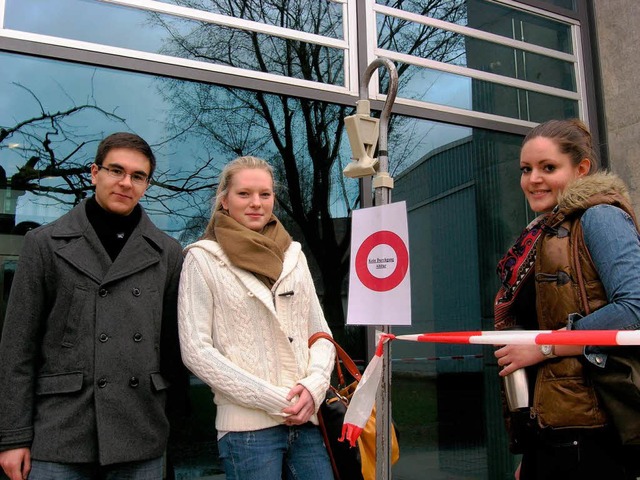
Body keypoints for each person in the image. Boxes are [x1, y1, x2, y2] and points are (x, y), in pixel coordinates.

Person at [0, 132, 185, 480]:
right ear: (94, 173)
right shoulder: (45, 243)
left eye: (138, 176)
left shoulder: (167, 252)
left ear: (147, 184)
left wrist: (171, 427)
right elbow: (17, 348)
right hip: (62, 431)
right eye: (116, 170)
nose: (125, 183)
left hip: (140, 431)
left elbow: (173, 349)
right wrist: (13, 438)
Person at [493, 119, 640, 479]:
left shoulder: (600, 216)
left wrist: (546, 346)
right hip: (553, 428)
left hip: (595, 429)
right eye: (526, 169)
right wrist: (530, 450)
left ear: (582, 168)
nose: (533, 179)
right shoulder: (543, 234)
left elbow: (634, 307)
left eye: (548, 168)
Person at [177, 156, 335, 480]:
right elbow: (196, 350)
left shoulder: (294, 254)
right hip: (247, 431)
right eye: (244, 194)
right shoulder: (202, 258)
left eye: (265, 194)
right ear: (224, 200)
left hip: (306, 421)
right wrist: (274, 399)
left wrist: (314, 385)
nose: (256, 203)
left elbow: (320, 333)